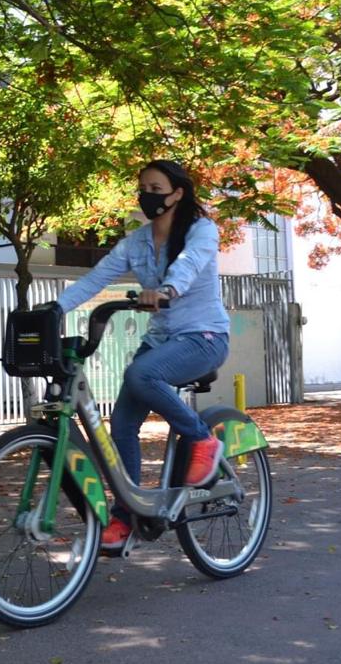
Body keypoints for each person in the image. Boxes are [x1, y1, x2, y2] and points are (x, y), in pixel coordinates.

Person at [50, 159, 230, 552]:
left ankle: (201, 439)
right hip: (162, 340)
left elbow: (189, 265)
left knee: (140, 375)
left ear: (177, 193)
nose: (146, 196)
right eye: (143, 189)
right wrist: (55, 308)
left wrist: (166, 290)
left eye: (155, 189)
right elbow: (96, 278)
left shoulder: (201, 230)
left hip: (204, 337)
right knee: (122, 423)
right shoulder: (136, 242)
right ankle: (127, 515)